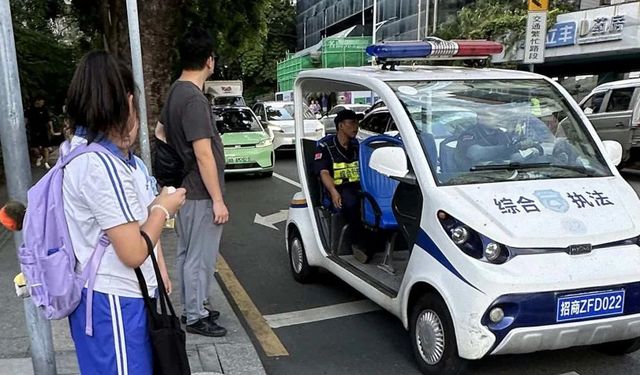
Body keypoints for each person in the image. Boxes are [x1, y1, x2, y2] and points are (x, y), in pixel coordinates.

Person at [63, 51, 186, 374]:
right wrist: (163, 207)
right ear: (127, 101)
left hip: (117, 298)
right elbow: (131, 251)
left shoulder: (96, 156)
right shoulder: (99, 165)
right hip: (114, 301)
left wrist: (159, 269)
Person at [162, 27, 229, 337]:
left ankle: (195, 304)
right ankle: (195, 315)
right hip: (201, 191)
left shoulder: (175, 91)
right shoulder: (194, 99)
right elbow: (204, 154)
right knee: (199, 257)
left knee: (187, 253)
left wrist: (178, 160)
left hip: (185, 187)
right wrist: (217, 200)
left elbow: (160, 133)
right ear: (209, 61)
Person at [315, 109, 370, 263]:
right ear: (340, 125)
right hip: (339, 189)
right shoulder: (325, 146)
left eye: (357, 123)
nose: (356, 127)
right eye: (351, 123)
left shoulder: (357, 145)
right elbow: (323, 172)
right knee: (351, 202)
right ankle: (357, 243)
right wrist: (333, 191)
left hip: (359, 186)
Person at [25, 96, 56, 169]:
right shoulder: (30, 109)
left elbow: (49, 120)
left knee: (45, 147)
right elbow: (26, 119)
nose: (43, 103)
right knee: (34, 148)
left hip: (43, 130)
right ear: (37, 101)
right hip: (33, 131)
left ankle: (46, 162)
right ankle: (39, 156)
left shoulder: (44, 109)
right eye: (42, 101)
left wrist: (51, 129)